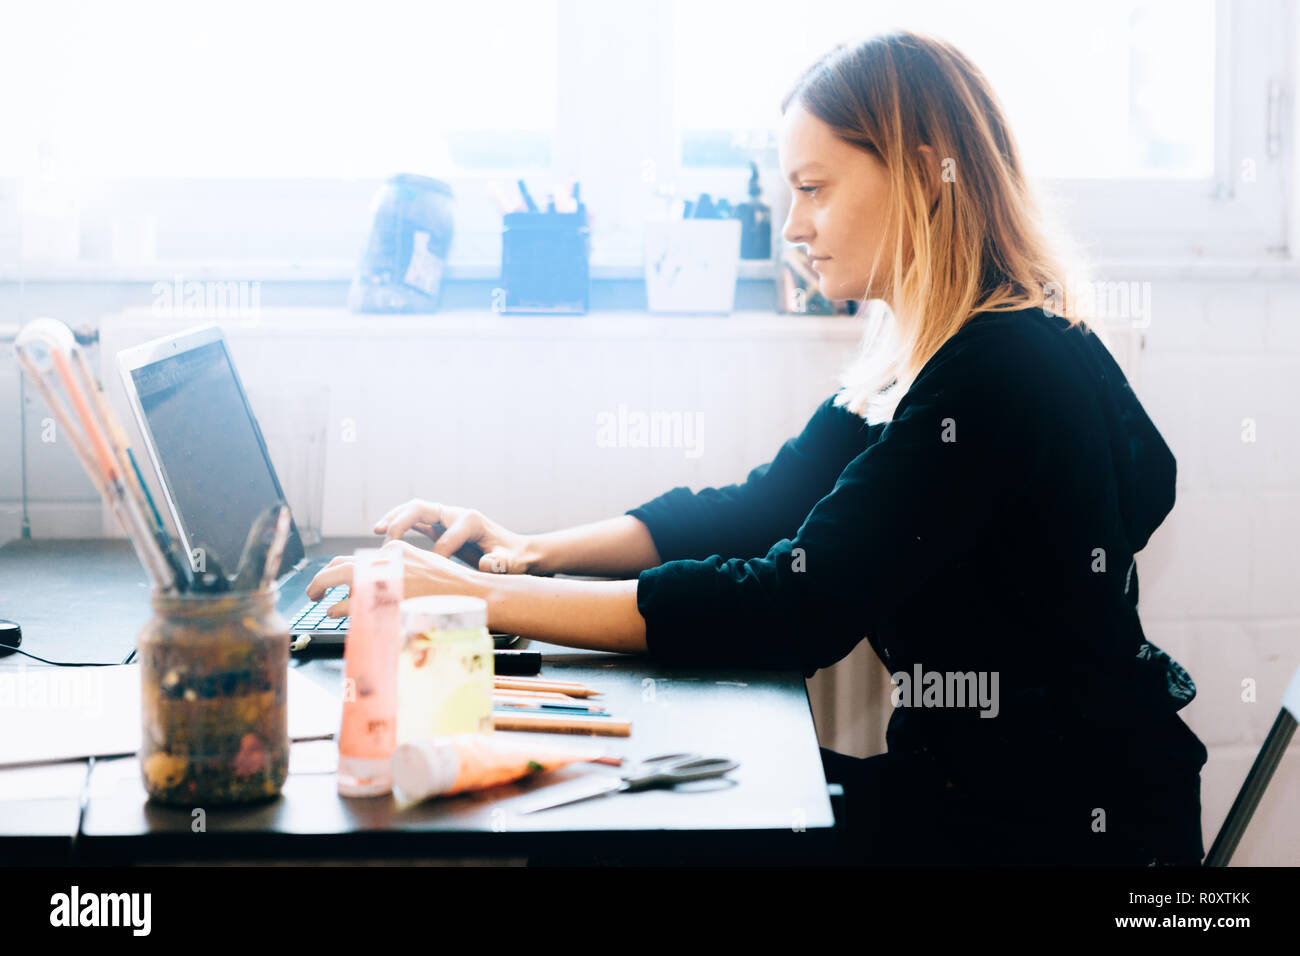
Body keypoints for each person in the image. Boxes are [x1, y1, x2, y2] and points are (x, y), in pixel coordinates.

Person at [307, 29, 1207, 866]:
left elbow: (793, 606)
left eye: (814, 189)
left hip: (1049, 832)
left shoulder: (997, 371)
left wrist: (480, 596)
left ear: (925, 177)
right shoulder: (922, 357)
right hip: (983, 793)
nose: (792, 226)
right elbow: (757, 509)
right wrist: (530, 549)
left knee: (632, 829)